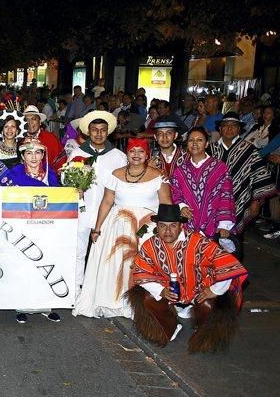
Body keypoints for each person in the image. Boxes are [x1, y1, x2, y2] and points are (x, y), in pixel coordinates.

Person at [126, 204, 248, 353]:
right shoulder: (149, 245)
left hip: (199, 290)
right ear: (157, 226)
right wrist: (161, 291)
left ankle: (202, 327)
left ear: (181, 226)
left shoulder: (198, 241)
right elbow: (141, 272)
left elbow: (228, 263)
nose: (168, 231)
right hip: (170, 292)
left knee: (209, 305)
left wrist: (214, 290)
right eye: (163, 226)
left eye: (173, 226)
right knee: (148, 298)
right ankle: (169, 325)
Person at [74, 138, 171, 318]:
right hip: (116, 227)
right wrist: (97, 229)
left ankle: (140, 304)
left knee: (138, 266)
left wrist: (164, 230)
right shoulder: (115, 174)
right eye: (132, 150)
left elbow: (166, 204)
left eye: (140, 151)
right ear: (126, 153)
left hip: (146, 229)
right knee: (115, 265)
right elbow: (107, 202)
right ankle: (115, 301)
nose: (136, 154)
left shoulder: (159, 176)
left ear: (147, 154)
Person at [0, 139, 61, 323]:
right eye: (29, 153)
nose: (34, 157)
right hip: (20, 225)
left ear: (43, 155)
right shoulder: (13, 174)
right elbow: (0, 197)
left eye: (38, 152)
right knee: (23, 263)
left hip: (46, 225)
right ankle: (21, 303)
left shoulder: (51, 175)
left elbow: (59, 200)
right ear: (23, 156)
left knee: (45, 262)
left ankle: (46, 304)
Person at [67, 110, 128, 296]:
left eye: (102, 130)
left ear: (108, 131)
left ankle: (101, 292)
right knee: (77, 251)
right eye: (95, 130)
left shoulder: (118, 156)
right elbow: (67, 180)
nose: (99, 134)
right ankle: (77, 290)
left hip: (107, 213)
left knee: (104, 254)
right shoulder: (77, 153)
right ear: (88, 132)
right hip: (82, 211)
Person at [209, 112, 276, 239]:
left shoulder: (249, 150)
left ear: (239, 129)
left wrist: (256, 202)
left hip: (238, 201)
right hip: (211, 203)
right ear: (220, 128)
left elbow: (259, 176)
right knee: (211, 240)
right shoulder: (210, 150)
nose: (229, 128)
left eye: (234, 125)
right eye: (226, 125)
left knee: (233, 244)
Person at [170, 127, 236, 239]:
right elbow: (175, 193)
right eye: (191, 140)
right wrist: (181, 207)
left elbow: (226, 195)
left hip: (215, 226)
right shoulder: (179, 171)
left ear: (206, 144)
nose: (194, 143)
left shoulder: (220, 168)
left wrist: (224, 224)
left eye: (199, 140)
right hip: (186, 225)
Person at [20, 104, 65, 171]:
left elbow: (60, 161)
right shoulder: (19, 140)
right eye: (27, 120)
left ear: (40, 121)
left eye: (34, 119)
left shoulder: (51, 138)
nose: (30, 122)